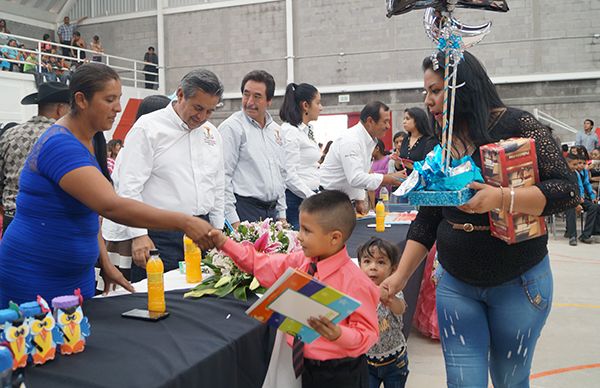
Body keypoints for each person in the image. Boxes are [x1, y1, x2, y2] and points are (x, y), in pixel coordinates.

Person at [380, 50, 579, 388]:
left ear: (463, 87)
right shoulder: (441, 145)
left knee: (509, 379)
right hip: (455, 283)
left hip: (519, 282)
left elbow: (568, 191)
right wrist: (399, 277)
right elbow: (428, 219)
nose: (428, 101)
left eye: (436, 90)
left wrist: (501, 198)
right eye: (426, 92)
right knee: (463, 382)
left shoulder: (517, 125)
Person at [0, 63, 215, 306]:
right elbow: (110, 206)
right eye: (110, 99)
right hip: (36, 272)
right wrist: (184, 221)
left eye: (119, 98)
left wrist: (105, 262)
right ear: (81, 100)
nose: (119, 108)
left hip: (75, 274)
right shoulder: (60, 144)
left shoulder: (94, 139)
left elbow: (90, 213)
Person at [207, 190, 379, 388]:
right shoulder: (300, 262)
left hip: (341, 373)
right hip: (303, 366)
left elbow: (368, 333)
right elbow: (260, 263)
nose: (299, 236)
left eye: (307, 230)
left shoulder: (356, 282)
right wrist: (224, 243)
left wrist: (339, 334)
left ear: (334, 238)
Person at [110, 69, 225, 282]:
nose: (201, 117)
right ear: (180, 95)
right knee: (160, 302)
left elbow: (217, 185)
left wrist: (218, 231)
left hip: (203, 232)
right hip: (160, 234)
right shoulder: (148, 128)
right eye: (198, 108)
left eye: (209, 111)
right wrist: (139, 235)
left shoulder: (212, 134)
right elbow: (129, 187)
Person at [102, 95, 171, 280]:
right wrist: (138, 235)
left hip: (133, 226)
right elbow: (129, 190)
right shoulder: (135, 147)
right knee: (123, 282)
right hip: (127, 232)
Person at [219, 70, 286, 227]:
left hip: (272, 212)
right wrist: (234, 220)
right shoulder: (232, 128)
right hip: (244, 210)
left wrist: (282, 215)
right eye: (246, 94)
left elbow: (281, 174)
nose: (249, 102)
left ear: (269, 100)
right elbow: (222, 177)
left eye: (257, 97)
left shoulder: (276, 130)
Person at [0, 82, 70, 233]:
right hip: (47, 220)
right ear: (60, 109)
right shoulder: (64, 137)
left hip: (11, 218)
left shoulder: (10, 134)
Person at [319, 101, 407, 215]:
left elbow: (361, 173)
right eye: (385, 122)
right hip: (329, 203)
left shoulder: (368, 141)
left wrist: (359, 198)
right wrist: (387, 179)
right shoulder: (351, 140)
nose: (388, 126)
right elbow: (355, 178)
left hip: (344, 201)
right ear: (370, 121)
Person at [357, 238, 409, 388]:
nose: (373, 267)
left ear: (393, 269)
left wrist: (388, 298)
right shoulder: (358, 291)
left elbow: (401, 308)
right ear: (360, 265)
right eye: (367, 261)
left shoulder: (392, 290)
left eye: (381, 262)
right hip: (366, 361)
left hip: (395, 361)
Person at [279, 82, 322, 230]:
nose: (320, 107)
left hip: (308, 196)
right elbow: (289, 175)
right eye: (318, 103)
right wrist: (311, 196)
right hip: (297, 200)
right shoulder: (290, 132)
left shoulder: (305, 130)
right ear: (305, 105)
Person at [564, 151, 598, 245]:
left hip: (578, 198)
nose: (576, 166)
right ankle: (572, 236)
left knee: (594, 207)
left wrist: (585, 197)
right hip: (566, 199)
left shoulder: (576, 174)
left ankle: (585, 235)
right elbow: (565, 190)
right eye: (574, 164)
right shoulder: (562, 174)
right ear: (567, 163)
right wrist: (576, 202)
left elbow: (580, 186)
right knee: (571, 208)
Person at [391, 107, 437, 175]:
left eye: (407, 119)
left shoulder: (429, 141)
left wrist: (407, 164)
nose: (404, 122)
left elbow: (429, 168)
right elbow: (400, 168)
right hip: (406, 182)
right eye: (404, 119)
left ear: (418, 120)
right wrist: (398, 162)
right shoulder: (405, 139)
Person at [370, 139, 391, 207]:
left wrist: (372, 174)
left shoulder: (388, 159)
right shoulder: (371, 162)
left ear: (377, 148)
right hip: (374, 196)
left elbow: (387, 172)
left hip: (386, 196)